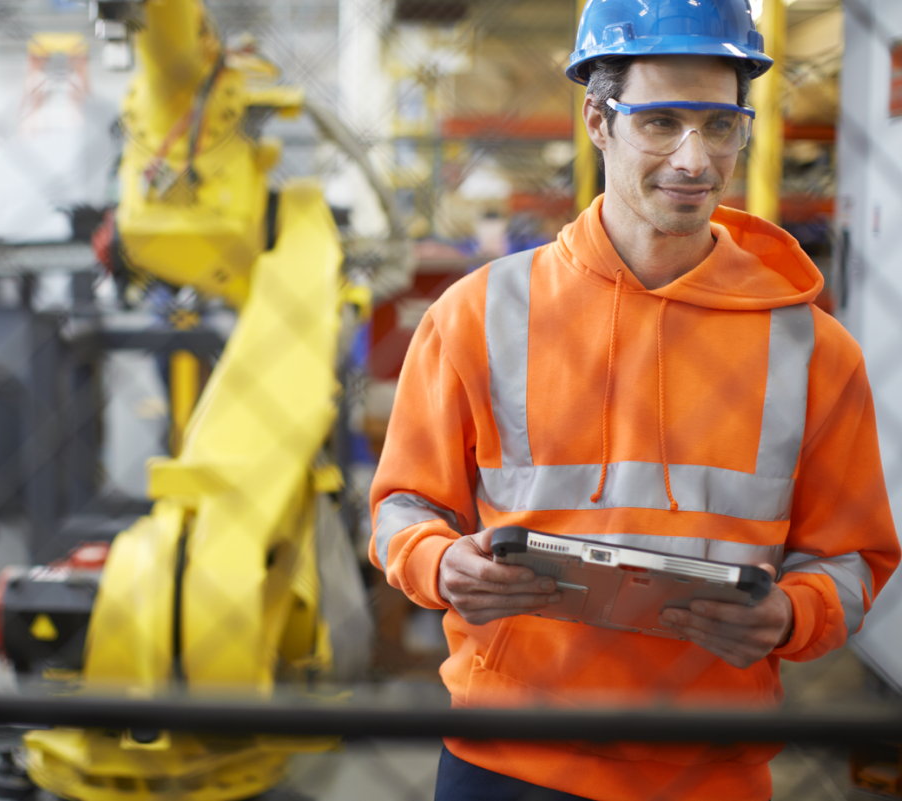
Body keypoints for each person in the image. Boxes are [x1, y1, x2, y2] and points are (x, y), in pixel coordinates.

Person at [368, 1, 901, 799]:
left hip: (709, 760)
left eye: (720, 127)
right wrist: (442, 563)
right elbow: (402, 506)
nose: (694, 160)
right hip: (510, 752)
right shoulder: (477, 314)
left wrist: (791, 617)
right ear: (597, 119)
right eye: (660, 122)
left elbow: (856, 559)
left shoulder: (812, 348)